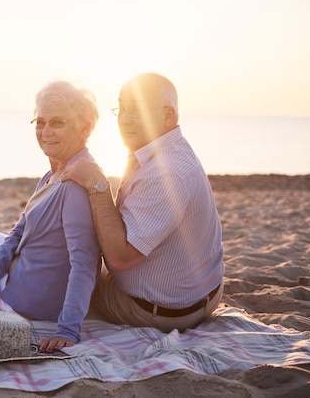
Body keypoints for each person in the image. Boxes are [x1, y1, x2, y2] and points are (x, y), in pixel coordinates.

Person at [0, 80, 102, 352]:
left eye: (58, 122)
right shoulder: (55, 173)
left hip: (28, 304)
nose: (45, 132)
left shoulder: (75, 183)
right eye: (40, 122)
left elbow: (84, 262)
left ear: (83, 127)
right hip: (29, 271)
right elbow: (18, 232)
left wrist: (68, 330)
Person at [62, 72, 224, 333]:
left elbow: (119, 258)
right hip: (196, 295)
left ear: (168, 116)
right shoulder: (164, 149)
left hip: (159, 311)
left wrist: (98, 185)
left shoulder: (167, 172)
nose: (124, 120)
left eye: (136, 110)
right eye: (121, 109)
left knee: (58, 274)